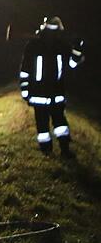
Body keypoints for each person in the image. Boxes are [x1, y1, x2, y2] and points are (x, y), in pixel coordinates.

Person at [20, 16, 84, 157]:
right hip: (53, 94)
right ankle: (62, 149)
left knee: (46, 125)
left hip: (45, 94)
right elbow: (73, 64)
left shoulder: (35, 46)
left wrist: (77, 48)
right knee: (57, 122)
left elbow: (24, 71)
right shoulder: (57, 45)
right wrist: (77, 49)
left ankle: (50, 151)